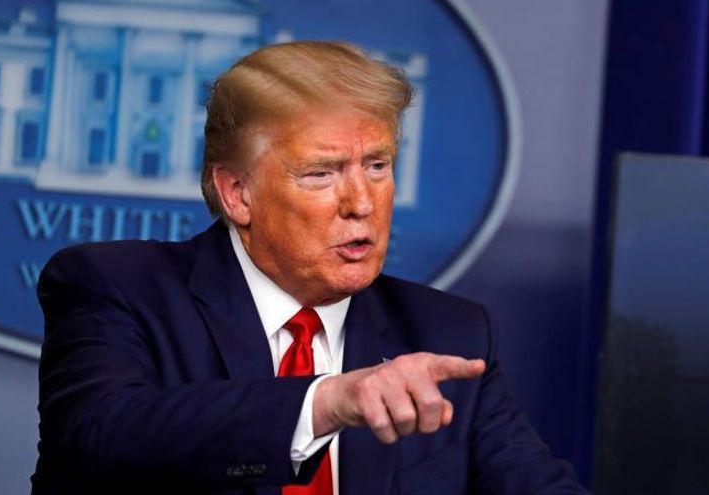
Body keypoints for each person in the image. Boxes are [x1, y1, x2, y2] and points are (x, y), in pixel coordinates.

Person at [31, 41, 589, 494]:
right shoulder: (118, 287)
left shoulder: (449, 334)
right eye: (321, 174)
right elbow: (99, 437)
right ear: (237, 194)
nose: (362, 202)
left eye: (377, 165)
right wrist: (326, 401)